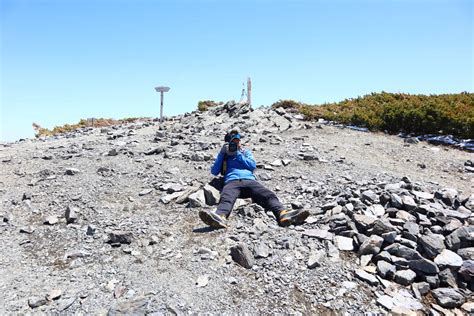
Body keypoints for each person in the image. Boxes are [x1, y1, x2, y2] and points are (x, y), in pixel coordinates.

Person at [199, 130, 309, 229]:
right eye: (233, 142)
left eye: (238, 141)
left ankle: (283, 213)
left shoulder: (245, 152)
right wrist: (222, 153)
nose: (236, 144)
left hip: (249, 180)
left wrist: (238, 154)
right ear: (227, 144)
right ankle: (220, 217)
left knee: (267, 194)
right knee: (226, 198)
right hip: (232, 181)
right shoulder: (224, 155)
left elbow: (252, 166)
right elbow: (214, 171)